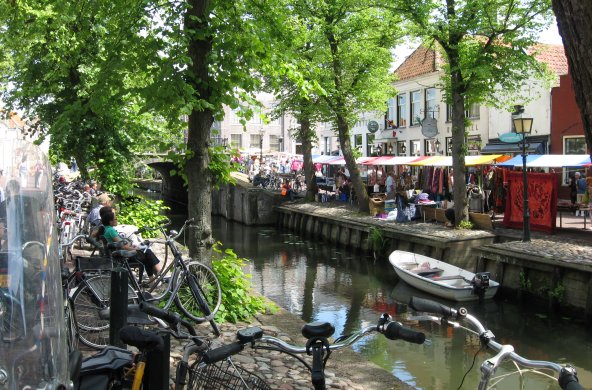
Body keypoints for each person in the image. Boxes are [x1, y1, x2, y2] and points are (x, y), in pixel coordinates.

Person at [100, 208, 162, 281]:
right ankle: (160, 274)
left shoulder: (106, 229)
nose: (117, 220)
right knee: (147, 252)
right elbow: (123, 246)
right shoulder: (111, 231)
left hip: (117, 254)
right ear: (110, 221)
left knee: (146, 255)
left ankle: (152, 280)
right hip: (122, 256)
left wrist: (131, 245)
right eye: (115, 218)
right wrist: (135, 249)